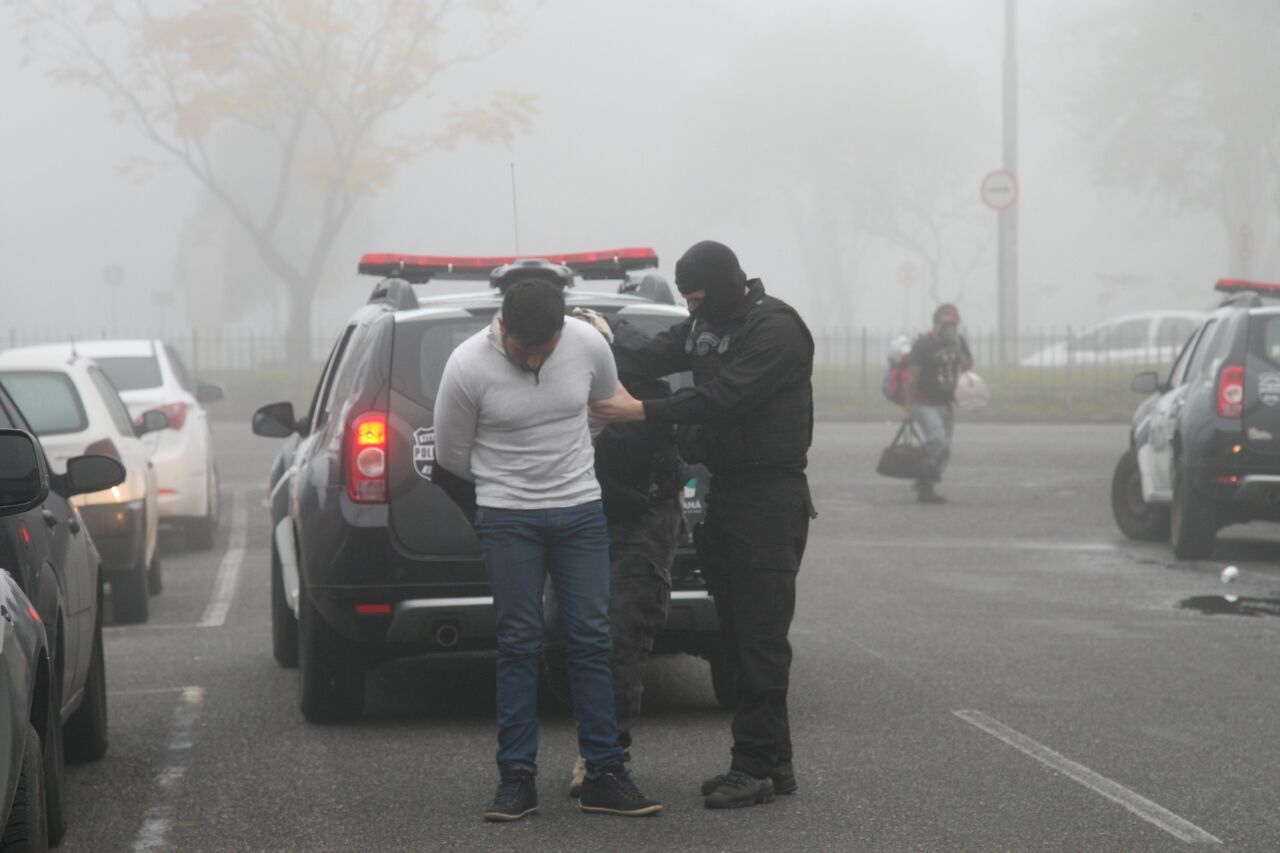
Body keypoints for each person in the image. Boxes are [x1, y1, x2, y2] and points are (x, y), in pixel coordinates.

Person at [590, 240, 816, 811]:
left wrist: (640, 411)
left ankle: (752, 767)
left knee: (762, 637)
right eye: (685, 300)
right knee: (739, 634)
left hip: (768, 499)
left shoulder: (776, 330)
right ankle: (775, 763)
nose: (690, 310)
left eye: (696, 297)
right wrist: (598, 336)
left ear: (722, 285)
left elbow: (726, 397)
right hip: (721, 497)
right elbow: (646, 356)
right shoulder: (702, 324)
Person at [432, 272, 662, 821]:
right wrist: (505, 485)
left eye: (546, 349)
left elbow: (603, 409)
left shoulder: (587, 345)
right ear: (502, 327)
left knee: (590, 637)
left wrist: (566, 466)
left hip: (581, 512)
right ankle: (516, 781)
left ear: (563, 328)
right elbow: (451, 454)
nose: (535, 360)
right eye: (523, 350)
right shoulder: (466, 365)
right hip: (509, 520)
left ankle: (605, 772)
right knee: (519, 642)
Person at [544, 310, 685, 798]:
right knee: (556, 634)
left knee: (620, 632)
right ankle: (596, 728)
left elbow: (655, 433)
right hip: (574, 517)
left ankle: (604, 753)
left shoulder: (645, 387)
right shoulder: (539, 380)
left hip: (641, 516)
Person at [901, 303, 973, 504]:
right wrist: (908, 407)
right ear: (937, 322)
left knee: (945, 448)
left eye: (954, 321)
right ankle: (920, 470)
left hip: (946, 403)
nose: (950, 324)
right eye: (946, 320)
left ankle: (926, 484)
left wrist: (960, 354)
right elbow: (912, 377)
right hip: (924, 401)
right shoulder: (924, 344)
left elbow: (968, 365)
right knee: (938, 439)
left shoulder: (958, 342)